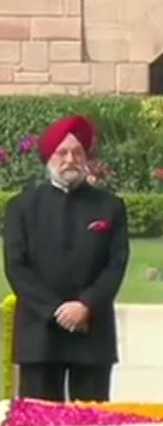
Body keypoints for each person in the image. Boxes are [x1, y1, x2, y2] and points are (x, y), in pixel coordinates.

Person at [3, 114, 130, 402]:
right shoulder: (21, 207)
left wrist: (85, 305)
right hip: (40, 333)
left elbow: (116, 264)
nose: (70, 159)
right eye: (62, 152)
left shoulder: (110, 206)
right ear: (49, 157)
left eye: (77, 152)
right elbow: (16, 267)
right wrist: (56, 311)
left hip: (92, 331)